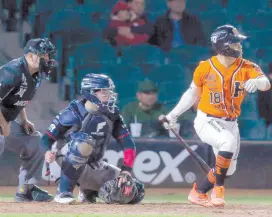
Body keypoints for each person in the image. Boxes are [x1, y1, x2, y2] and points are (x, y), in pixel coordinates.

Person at [161, 25, 271, 207]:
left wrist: (257, 81)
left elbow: (265, 83)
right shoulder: (205, 67)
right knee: (227, 143)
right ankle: (218, 190)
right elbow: (191, 94)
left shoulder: (247, 66)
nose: (240, 47)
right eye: (236, 43)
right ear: (224, 46)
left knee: (228, 169)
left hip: (231, 123)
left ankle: (198, 192)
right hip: (207, 120)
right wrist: (173, 115)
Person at [42, 73, 145, 204]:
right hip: (62, 163)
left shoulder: (113, 114)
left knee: (134, 191)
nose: (108, 95)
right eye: (103, 91)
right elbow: (46, 138)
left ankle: (88, 192)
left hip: (94, 165)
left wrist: (126, 171)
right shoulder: (73, 112)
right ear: (90, 93)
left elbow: (128, 144)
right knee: (83, 142)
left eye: (109, 91)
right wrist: (47, 152)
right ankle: (63, 191)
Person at [0, 38, 56, 202]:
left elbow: (19, 98)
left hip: (5, 120)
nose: (47, 59)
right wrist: (3, 125)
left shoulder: (35, 74)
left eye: (48, 55)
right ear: (31, 56)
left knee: (34, 141)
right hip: (2, 122)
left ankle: (26, 189)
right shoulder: (13, 71)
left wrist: (24, 120)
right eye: (44, 55)